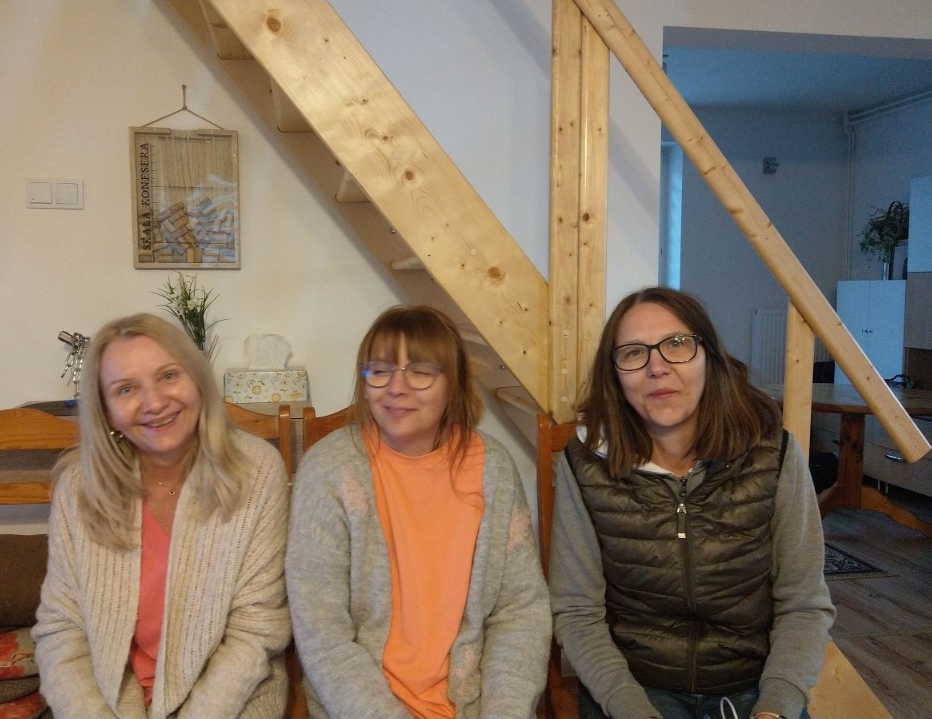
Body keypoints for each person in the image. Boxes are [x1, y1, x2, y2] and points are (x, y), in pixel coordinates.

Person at [549, 287, 835, 719]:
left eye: (677, 344)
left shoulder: (774, 454)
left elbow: (804, 603)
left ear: (709, 357)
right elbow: (577, 612)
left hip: (753, 686)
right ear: (615, 375)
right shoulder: (585, 463)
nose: (657, 367)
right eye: (633, 353)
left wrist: (776, 706)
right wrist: (631, 707)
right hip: (634, 689)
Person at [285, 305, 551, 719]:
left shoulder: (493, 469)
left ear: (453, 384)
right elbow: (322, 636)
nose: (396, 387)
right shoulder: (329, 471)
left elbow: (519, 612)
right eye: (380, 371)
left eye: (420, 371)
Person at [32, 313, 291, 719]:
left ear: (197, 380)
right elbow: (62, 629)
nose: (154, 403)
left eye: (168, 376)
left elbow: (256, 629)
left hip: (231, 701)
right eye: (126, 389)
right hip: (113, 702)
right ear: (106, 410)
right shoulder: (79, 488)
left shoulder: (257, 470)